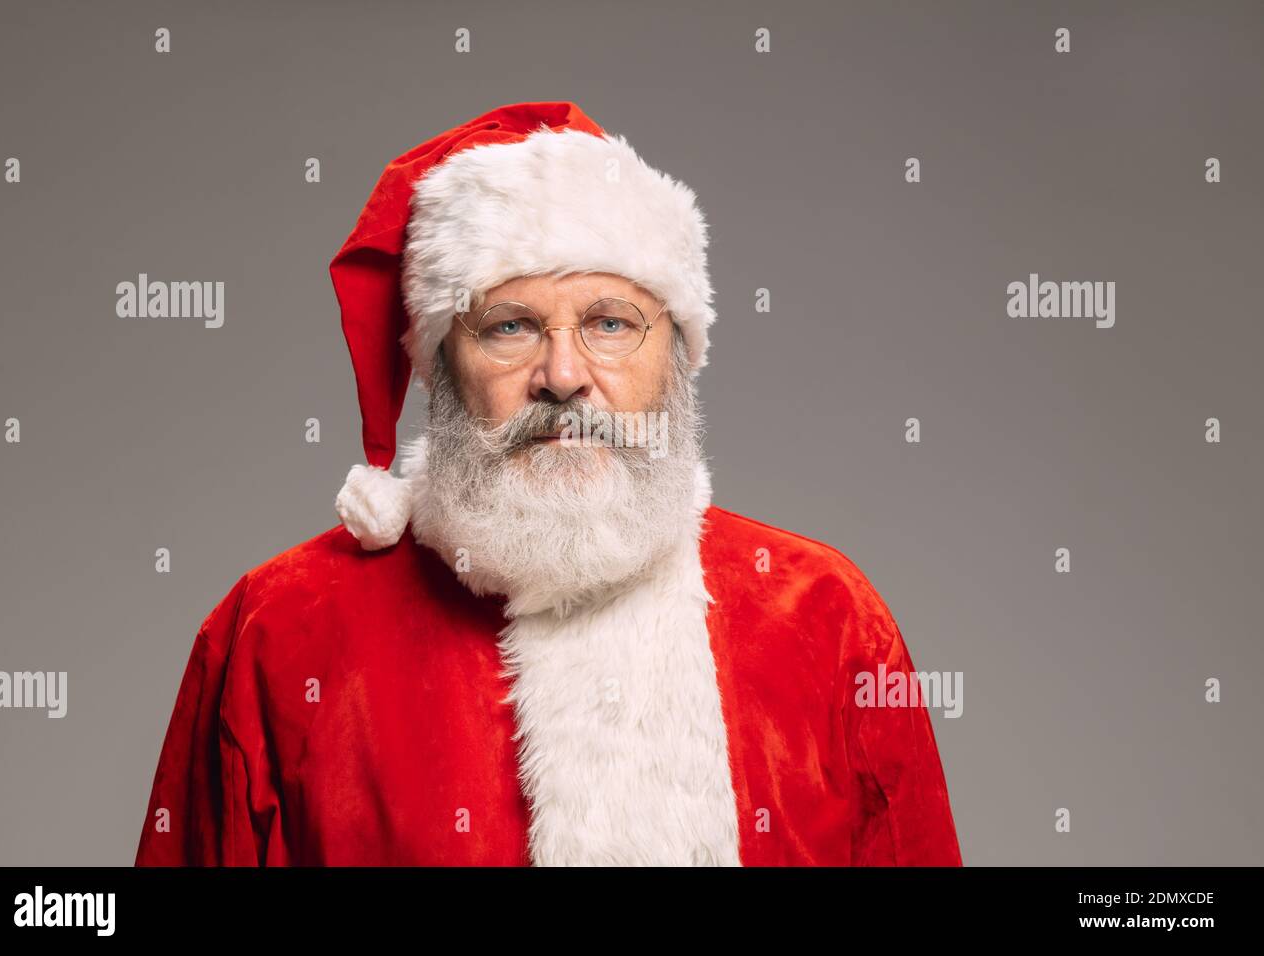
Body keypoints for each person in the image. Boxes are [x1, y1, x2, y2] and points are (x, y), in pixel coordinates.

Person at [133, 101, 962, 867]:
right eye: (510, 327)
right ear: (440, 368)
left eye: (610, 323)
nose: (563, 375)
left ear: (674, 355)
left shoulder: (825, 620)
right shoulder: (279, 633)